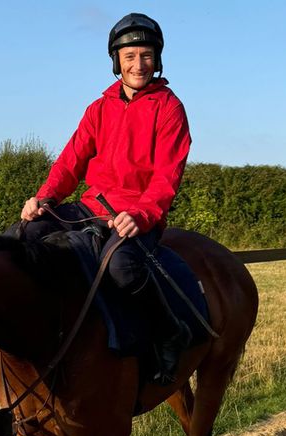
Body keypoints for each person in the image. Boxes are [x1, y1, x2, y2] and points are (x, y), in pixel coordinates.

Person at [18, 13, 191, 385]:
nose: (138, 64)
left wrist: (142, 214)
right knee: (24, 236)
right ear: (117, 61)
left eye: (146, 55)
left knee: (122, 268)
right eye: (129, 56)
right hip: (89, 206)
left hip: (135, 214)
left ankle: (169, 331)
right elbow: (71, 160)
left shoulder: (170, 108)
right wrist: (45, 198)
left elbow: (167, 175)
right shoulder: (99, 108)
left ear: (157, 60)